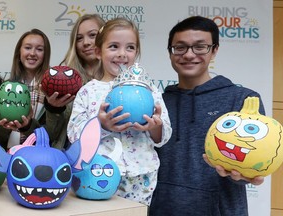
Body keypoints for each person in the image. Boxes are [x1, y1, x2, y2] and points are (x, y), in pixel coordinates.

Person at [149, 16, 265, 216]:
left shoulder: (243, 100)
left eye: (200, 47)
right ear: (170, 52)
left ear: (214, 50)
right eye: (180, 47)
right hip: (162, 209)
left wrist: (245, 175)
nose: (189, 55)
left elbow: (250, 162)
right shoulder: (157, 103)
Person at [67, 17, 172, 206]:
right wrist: (101, 124)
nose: (122, 54)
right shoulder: (89, 91)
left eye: (130, 47)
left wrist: (153, 126)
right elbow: (74, 135)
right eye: (114, 46)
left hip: (140, 177)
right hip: (97, 175)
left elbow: (163, 136)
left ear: (136, 53)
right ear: (98, 52)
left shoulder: (150, 90)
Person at [43, 14, 105, 149]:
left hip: (109, 161)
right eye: (79, 38)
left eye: (92, 35)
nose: (86, 42)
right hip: (70, 161)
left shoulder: (120, 80)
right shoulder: (63, 81)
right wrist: (53, 109)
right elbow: (51, 135)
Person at [0, 29, 62, 150]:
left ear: (45, 55)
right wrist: (3, 126)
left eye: (39, 49)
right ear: (19, 53)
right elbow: (1, 140)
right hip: (8, 156)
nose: (32, 53)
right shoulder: (5, 88)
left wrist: (28, 126)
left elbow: (53, 134)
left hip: (39, 158)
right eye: (27, 47)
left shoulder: (52, 90)